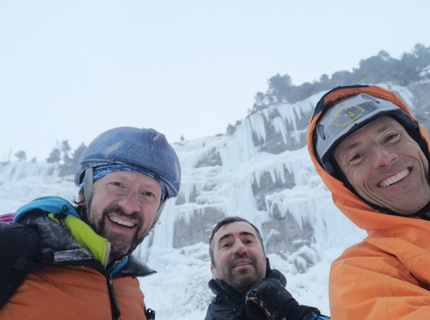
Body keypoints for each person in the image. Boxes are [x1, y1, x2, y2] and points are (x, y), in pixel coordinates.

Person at [0, 127, 181, 320]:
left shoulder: (129, 286)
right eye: (118, 185)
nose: (130, 206)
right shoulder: (10, 249)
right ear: (85, 192)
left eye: (148, 194)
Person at [307, 84, 430, 319]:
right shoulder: (359, 272)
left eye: (391, 136)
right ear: (346, 187)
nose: (384, 158)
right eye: (357, 156)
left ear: (419, 142)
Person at [205, 216, 329, 320]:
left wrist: (296, 314)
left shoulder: (291, 310)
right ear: (213, 271)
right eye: (226, 244)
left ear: (265, 259)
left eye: (248, 241)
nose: (240, 248)